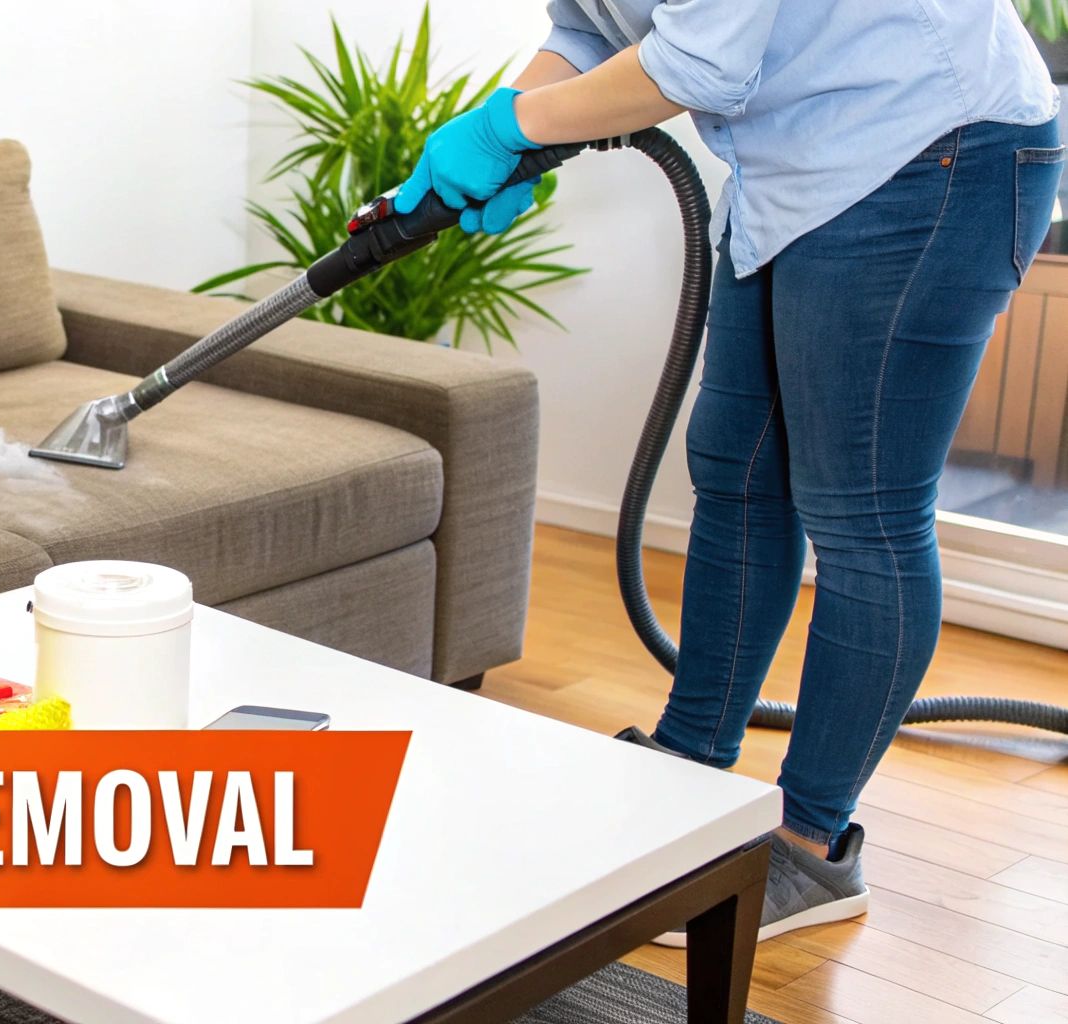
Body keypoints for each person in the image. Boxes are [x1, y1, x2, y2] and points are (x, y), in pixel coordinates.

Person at [396, 0, 1061, 943]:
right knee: (737, 473)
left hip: (928, 147)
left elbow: (698, 64)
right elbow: (587, 31)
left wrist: (513, 128)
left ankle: (811, 845)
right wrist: (504, 131)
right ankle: (689, 764)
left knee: (862, 511)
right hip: (797, 166)